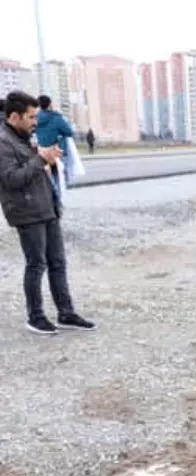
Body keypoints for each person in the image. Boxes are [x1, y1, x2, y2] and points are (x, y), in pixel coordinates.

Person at [1, 91, 94, 335]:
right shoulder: (3, 142)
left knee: (58, 262)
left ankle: (66, 313)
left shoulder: (22, 137)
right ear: (14, 116)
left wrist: (48, 159)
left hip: (46, 208)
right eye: (31, 117)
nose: (35, 122)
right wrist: (40, 159)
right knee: (36, 264)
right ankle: (36, 317)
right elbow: (11, 179)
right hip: (27, 212)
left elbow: (33, 170)